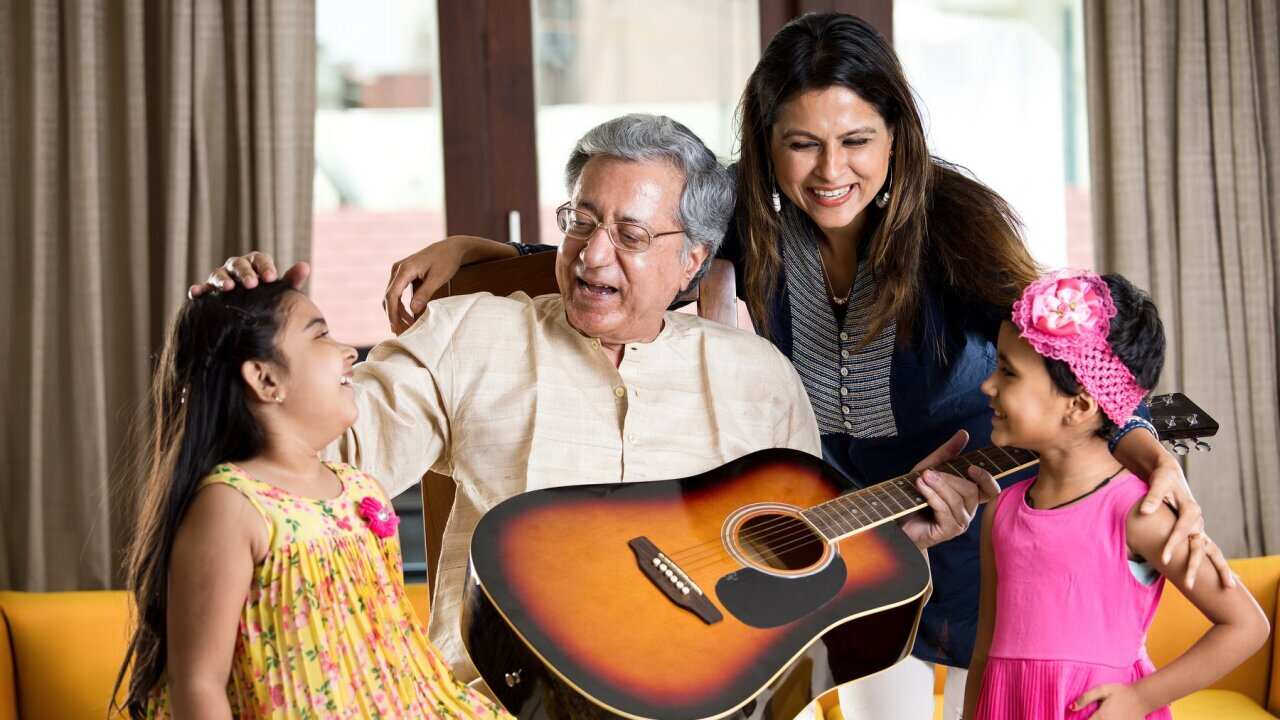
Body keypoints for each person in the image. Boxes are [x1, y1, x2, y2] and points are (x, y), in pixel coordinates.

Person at [378, 14, 1229, 718]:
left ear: (897, 136)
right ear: (766, 145)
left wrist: (1145, 440)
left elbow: (1074, 348)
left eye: (857, 140)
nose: (830, 171)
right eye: (801, 144)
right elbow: (631, 248)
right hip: (828, 546)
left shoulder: (960, 231)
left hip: (971, 539)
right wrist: (481, 254)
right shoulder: (744, 220)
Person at [193, 114, 1006, 685]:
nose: (590, 253)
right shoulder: (466, 334)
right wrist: (244, 344)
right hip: (493, 697)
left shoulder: (756, 376)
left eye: (629, 233)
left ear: (692, 261)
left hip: (699, 703)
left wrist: (895, 540)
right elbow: (325, 455)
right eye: (580, 220)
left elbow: (791, 571)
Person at [111, 282, 509, 719]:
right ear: (266, 379)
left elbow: (389, 648)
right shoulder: (232, 506)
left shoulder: (361, 490)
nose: (349, 352)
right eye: (320, 335)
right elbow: (199, 684)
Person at [964, 271, 1268, 719]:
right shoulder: (1002, 510)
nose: (988, 385)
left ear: (1080, 405)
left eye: (1008, 372)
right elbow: (984, 650)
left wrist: (1142, 697)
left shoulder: (1139, 512)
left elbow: (1245, 625)